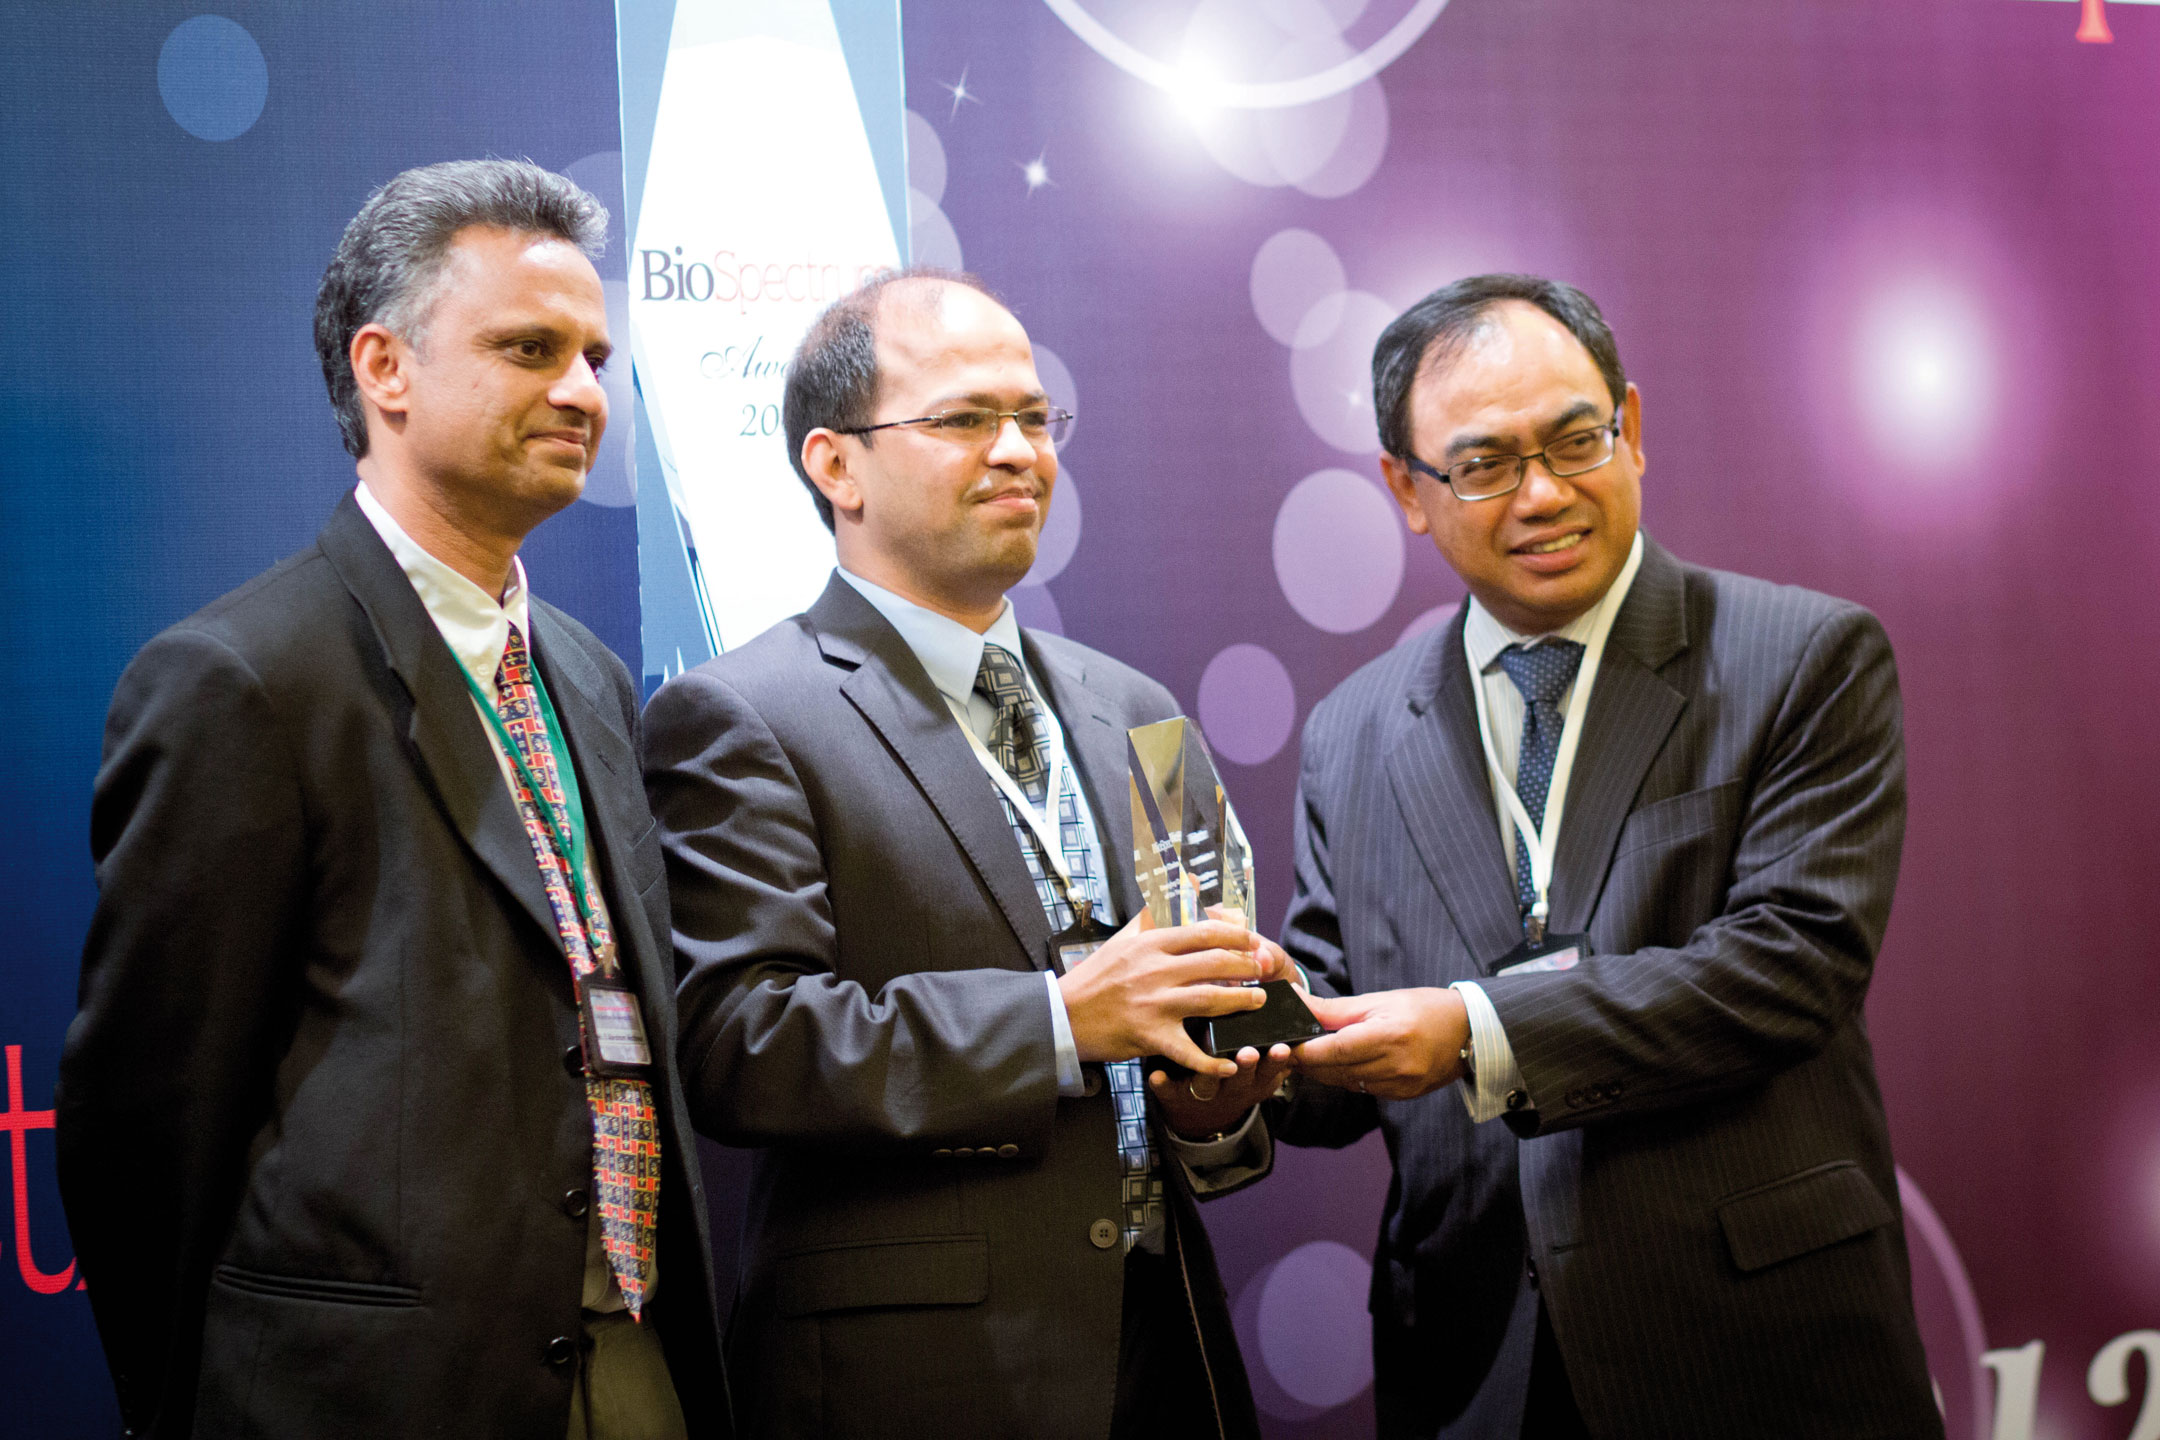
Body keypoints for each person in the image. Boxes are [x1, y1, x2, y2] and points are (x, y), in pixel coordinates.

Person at [56, 160, 728, 1440]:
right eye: (530, 348)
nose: (583, 391)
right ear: (386, 370)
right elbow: (145, 1129)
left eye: (593, 353)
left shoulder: (585, 674)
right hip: (359, 1397)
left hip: (632, 1361)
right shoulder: (242, 679)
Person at [1273, 274, 1942, 1439]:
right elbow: (1330, 1034)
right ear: (1407, 492)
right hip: (1473, 1363)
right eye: (1484, 465)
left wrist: (1478, 1032)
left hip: (1757, 1348)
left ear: (1631, 430)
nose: (1544, 494)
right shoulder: (1350, 732)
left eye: (1577, 440)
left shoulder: (1804, 658)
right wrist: (1242, 1071)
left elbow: (1792, 967)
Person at [642, 269, 1295, 1440]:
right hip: (921, 1369)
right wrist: (1058, 1022)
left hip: (1169, 1346)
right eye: (964, 420)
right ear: (834, 465)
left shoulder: (1136, 706)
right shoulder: (741, 715)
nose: (1020, 452)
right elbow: (740, 1042)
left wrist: (1214, 1101)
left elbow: (1204, 1016)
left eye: (1037, 419)